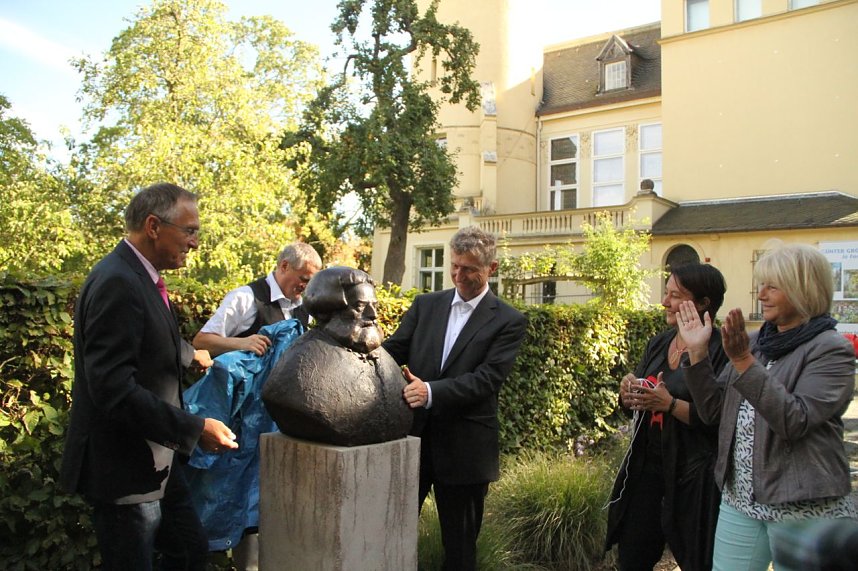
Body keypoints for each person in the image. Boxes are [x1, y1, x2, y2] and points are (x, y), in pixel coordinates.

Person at [59, 182, 239, 570]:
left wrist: (191, 354)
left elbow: (150, 335)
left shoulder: (140, 276)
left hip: (157, 462)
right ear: (154, 226)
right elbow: (113, 388)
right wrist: (195, 429)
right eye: (189, 231)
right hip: (125, 470)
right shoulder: (118, 282)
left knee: (190, 551)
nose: (195, 243)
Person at [677, 242, 857, 571]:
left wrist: (743, 361)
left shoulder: (831, 349)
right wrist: (698, 353)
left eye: (772, 286)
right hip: (741, 500)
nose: (761, 294)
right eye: (761, 285)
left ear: (803, 289)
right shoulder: (757, 342)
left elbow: (795, 421)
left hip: (803, 506)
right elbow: (714, 413)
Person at [382, 226, 527, 571]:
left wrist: (430, 391)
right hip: (413, 441)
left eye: (469, 269)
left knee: (460, 551)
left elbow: (487, 380)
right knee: (390, 534)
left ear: (492, 268)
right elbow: (390, 351)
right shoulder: (425, 305)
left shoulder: (509, 320)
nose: (458, 275)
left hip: (466, 451)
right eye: (455, 266)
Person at [605, 263, 729, 571]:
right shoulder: (659, 343)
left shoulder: (722, 350)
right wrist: (630, 393)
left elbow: (719, 419)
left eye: (675, 296)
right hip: (647, 471)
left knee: (697, 561)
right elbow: (643, 398)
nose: (664, 302)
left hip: (693, 476)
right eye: (666, 293)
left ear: (703, 303)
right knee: (632, 558)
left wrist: (670, 404)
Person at [262, 266, 412, 447]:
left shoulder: (384, 358)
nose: (373, 315)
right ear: (328, 310)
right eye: (360, 306)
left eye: (375, 306)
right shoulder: (299, 366)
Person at [192, 242, 322, 357]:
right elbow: (201, 341)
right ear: (284, 266)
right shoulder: (244, 298)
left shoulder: (305, 310)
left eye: (312, 282)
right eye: (304, 279)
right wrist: (241, 344)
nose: (307, 287)